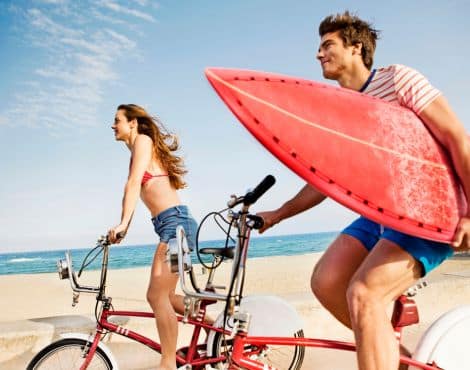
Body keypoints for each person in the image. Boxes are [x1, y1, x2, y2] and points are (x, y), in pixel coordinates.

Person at [257, 11, 470, 370]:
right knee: (327, 282)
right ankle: (393, 356)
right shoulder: (339, 112)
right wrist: (279, 214)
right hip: (380, 212)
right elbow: (324, 178)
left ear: (356, 48)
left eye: (327, 45)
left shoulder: (398, 79)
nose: (318, 54)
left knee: (364, 294)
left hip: (430, 208)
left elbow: (456, 136)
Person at [107, 104, 198, 370]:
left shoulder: (143, 141)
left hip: (176, 225)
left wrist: (123, 223)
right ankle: (214, 323)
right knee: (165, 296)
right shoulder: (138, 150)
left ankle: (168, 364)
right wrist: (124, 227)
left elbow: (134, 184)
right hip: (172, 226)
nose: (113, 126)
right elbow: (134, 191)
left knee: (155, 296)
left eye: (117, 120)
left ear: (133, 123)